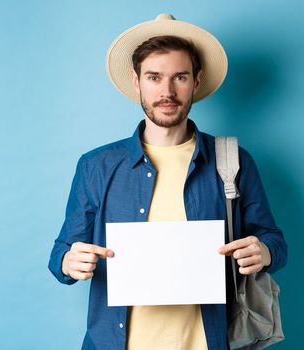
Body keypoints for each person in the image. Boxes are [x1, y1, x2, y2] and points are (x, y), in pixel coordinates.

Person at [47, 14, 287, 350]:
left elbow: (274, 242)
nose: (167, 91)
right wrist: (68, 261)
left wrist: (263, 251)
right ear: (137, 81)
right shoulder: (96, 166)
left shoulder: (232, 160)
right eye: (154, 77)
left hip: (208, 341)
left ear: (197, 81)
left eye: (180, 77)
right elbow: (59, 255)